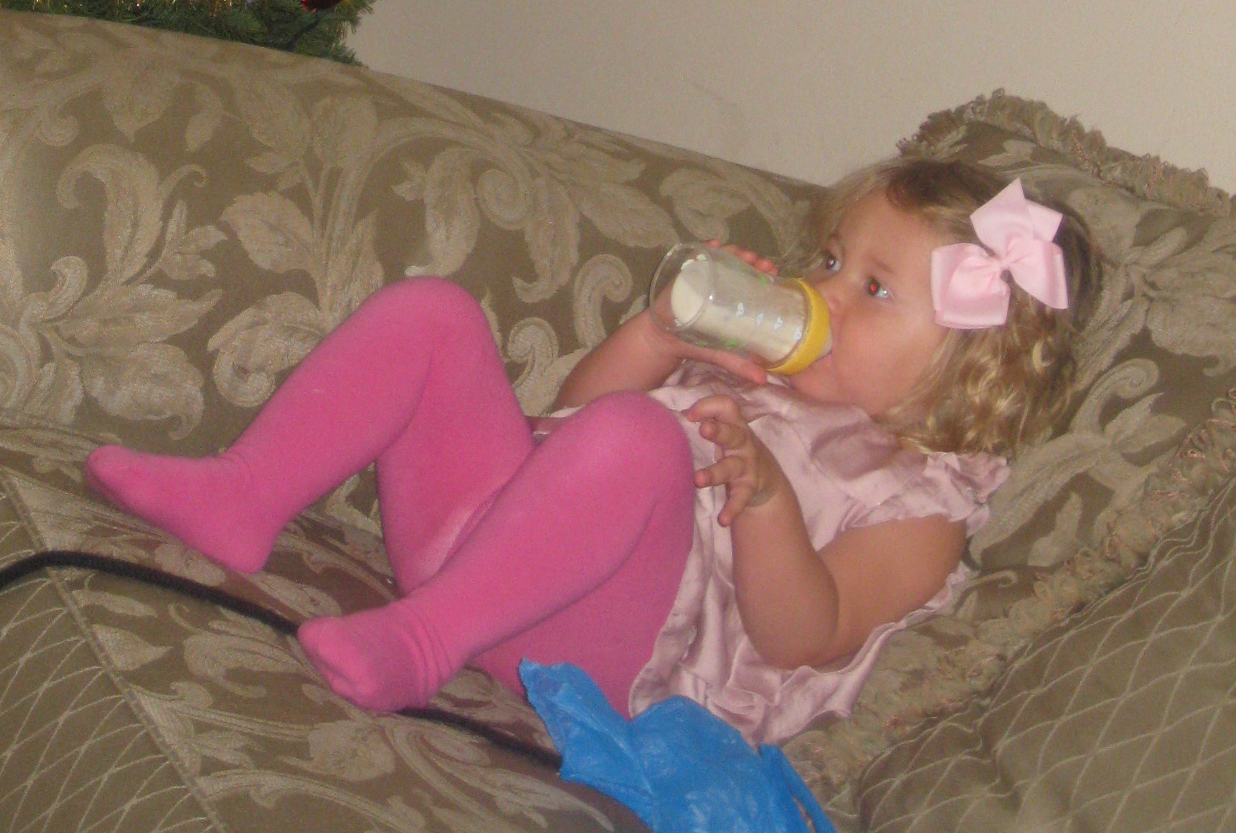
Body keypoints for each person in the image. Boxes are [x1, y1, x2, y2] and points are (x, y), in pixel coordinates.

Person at [86, 158, 1097, 740]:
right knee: (437, 314)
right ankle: (244, 493)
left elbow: (808, 635)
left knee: (641, 439)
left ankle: (424, 643)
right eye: (830, 258)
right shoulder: (756, 373)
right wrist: (657, 337)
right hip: (480, 544)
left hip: (595, 659)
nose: (822, 291)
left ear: (975, 366)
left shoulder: (922, 501)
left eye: (871, 289)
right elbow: (563, 426)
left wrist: (767, 504)